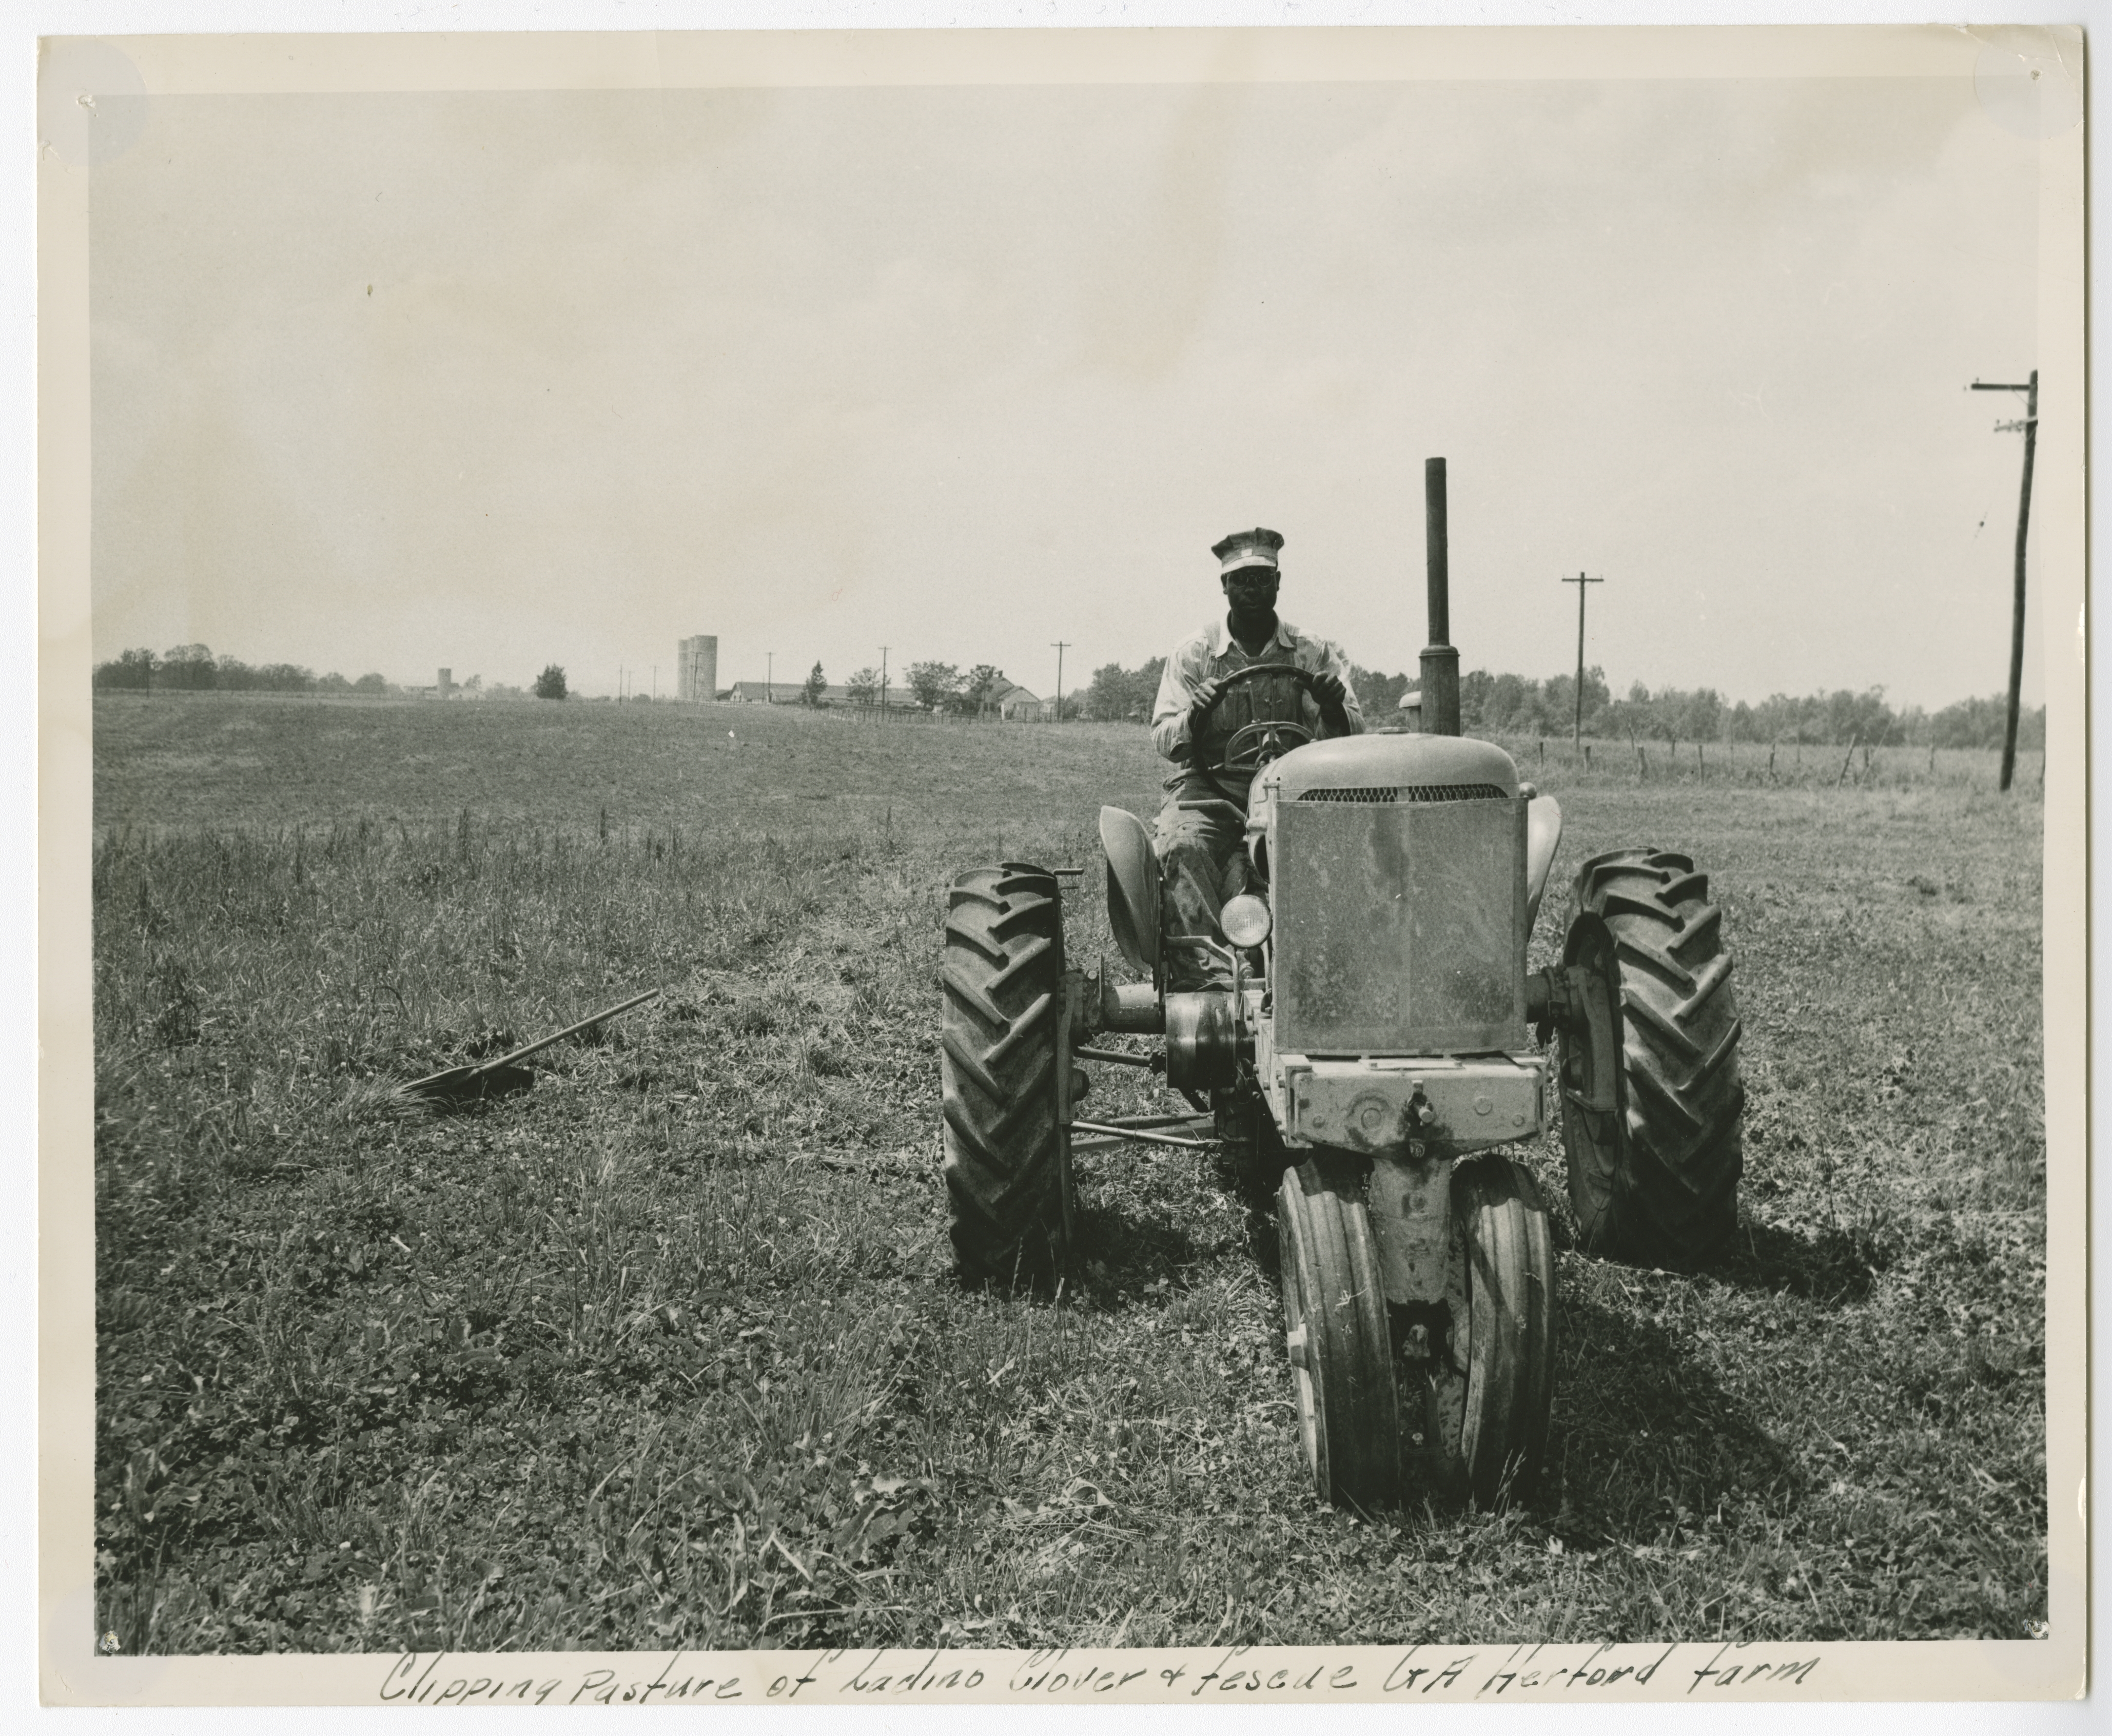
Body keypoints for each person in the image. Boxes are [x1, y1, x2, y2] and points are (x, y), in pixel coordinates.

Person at [1149, 527, 1363, 990]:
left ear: (1279, 582)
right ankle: (1208, 980)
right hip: (1209, 790)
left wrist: (1330, 708)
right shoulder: (1195, 654)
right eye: (1242, 579)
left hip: (1291, 789)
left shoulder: (1311, 651)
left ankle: (1327, 969)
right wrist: (1194, 716)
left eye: (1262, 579)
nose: (1253, 588)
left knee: (1349, 849)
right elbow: (1164, 738)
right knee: (1181, 846)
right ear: (1223, 585)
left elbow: (1352, 736)